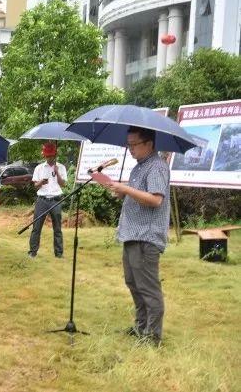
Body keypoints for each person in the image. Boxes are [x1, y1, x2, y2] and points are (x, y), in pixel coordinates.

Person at [108, 126, 170, 346]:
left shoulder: (157, 167)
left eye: (134, 144)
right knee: (133, 283)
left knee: (148, 288)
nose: (131, 149)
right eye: (129, 144)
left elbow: (155, 200)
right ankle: (141, 326)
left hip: (146, 236)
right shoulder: (139, 168)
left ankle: (152, 337)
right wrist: (121, 192)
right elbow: (138, 197)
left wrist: (125, 189)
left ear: (149, 144)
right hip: (132, 234)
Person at [29, 142, 67, 258]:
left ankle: (59, 253)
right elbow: (35, 185)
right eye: (48, 156)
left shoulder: (61, 167)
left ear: (55, 155)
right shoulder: (39, 168)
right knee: (36, 227)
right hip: (42, 200)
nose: (50, 158)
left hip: (56, 200)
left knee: (57, 228)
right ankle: (33, 252)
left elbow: (63, 184)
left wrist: (57, 173)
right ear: (44, 156)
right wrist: (41, 182)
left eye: (52, 155)